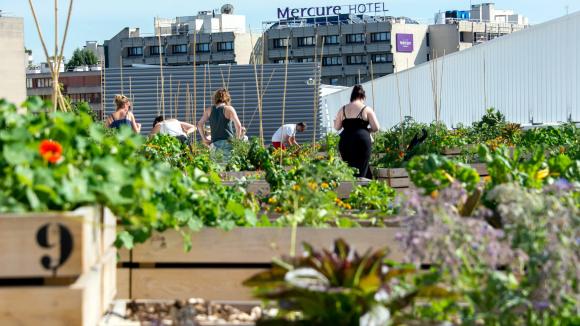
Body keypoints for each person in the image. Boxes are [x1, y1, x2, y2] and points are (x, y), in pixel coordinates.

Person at [334, 85, 380, 178]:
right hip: (362, 140)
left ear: (352, 96)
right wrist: (366, 130)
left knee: (348, 166)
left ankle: (349, 188)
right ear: (362, 96)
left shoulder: (342, 109)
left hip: (345, 140)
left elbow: (337, 127)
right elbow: (376, 127)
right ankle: (362, 188)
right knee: (362, 167)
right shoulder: (366, 109)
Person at [196, 88, 243, 161]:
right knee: (228, 168)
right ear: (227, 98)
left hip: (214, 144)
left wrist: (204, 139)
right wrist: (237, 141)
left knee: (217, 168)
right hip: (228, 143)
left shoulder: (209, 110)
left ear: (215, 98)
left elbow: (199, 124)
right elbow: (238, 126)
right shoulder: (229, 109)